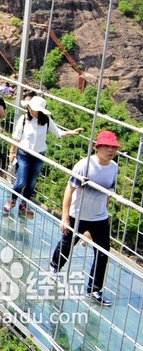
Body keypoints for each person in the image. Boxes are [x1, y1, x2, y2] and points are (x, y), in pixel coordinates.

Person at [49, 130, 121, 307]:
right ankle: (54, 267)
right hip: (78, 214)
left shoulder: (114, 168)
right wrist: (65, 217)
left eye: (114, 148)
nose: (111, 151)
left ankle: (94, 289)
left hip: (99, 217)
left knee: (103, 252)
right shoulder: (84, 165)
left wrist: (105, 210)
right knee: (67, 244)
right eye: (107, 147)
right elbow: (69, 189)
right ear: (98, 147)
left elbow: (108, 192)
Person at [3, 95, 81, 216]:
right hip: (24, 154)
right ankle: (12, 200)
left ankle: (24, 204)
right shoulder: (24, 119)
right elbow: (16, 136)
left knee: (31, 183)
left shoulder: (46, 121)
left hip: (39, 155)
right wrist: (12, 152)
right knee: (21, 181)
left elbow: (58, 133)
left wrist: (70, 132)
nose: (31, 110)